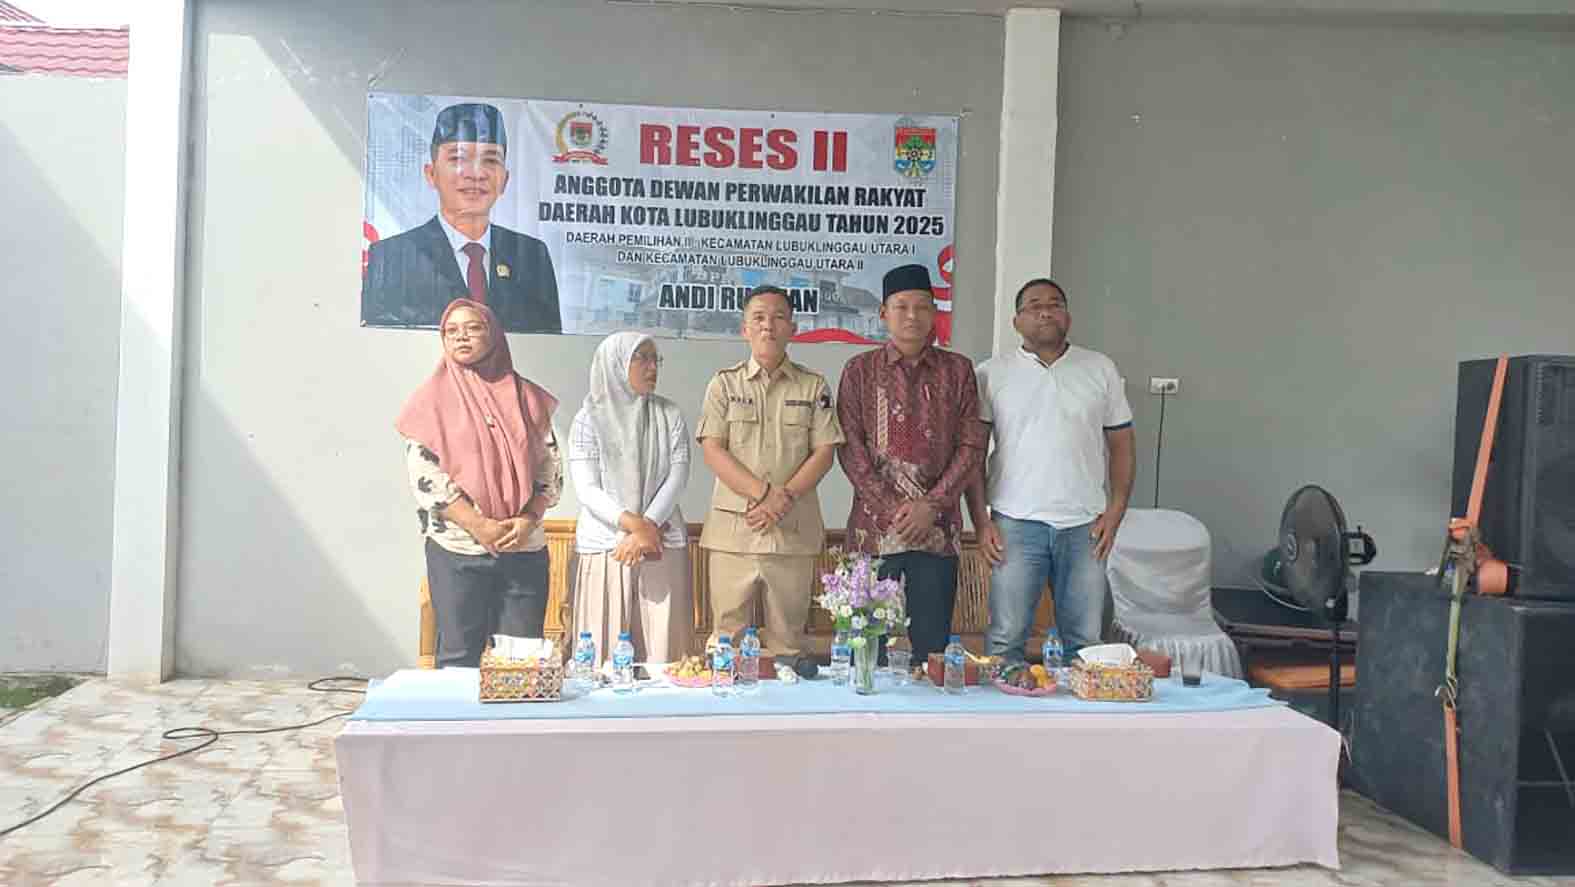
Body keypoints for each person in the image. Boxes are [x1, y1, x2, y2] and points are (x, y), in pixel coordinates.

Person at [965, 278, 1136, 662]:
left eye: (1055, 304)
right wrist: (980, 521)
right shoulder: (990, 374)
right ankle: (1006, 702)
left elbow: (1122, 443)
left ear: (1068, 316)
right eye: (1034, 305)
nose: (1045, 312)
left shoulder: (1100, 368)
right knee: (1006, 637)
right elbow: (972, 454)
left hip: (1086, 527)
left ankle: (1082, 704)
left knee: (1085, 641)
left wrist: (1116, 511)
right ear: (1016, 321)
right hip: (1014, 524)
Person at [398, 298, 563, 668]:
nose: (461, 337)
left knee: (521, 660)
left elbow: (549, 466)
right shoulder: (430, 402)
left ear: (494, 336)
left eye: (473, 328)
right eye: (451, 331)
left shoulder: (526, 398)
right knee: (459, 657)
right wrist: (478, 525)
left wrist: (527, 519)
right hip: (457, 548)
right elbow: (426, 476)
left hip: (522, 546)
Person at [837, 264, 985, 667]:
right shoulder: (859, 370)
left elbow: (971, 445)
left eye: (922, 306)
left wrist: (930, 506)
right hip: (873, 532)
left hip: (937, 532)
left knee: (932, 652)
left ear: (934, 313)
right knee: (866, 654)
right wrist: (894, 510)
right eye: (901, 306)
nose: (912, 315)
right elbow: (850, 449)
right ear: (883, 313)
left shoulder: (958, 371)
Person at [697, 285, 845, 676]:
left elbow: (825, 452)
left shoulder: (813, 386)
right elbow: (713, 449)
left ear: (793, 328)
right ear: (745, 329)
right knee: (726, 641)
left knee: (789, 643)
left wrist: (784, 498)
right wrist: (764, 494)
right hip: (734, 530)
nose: (769, 326)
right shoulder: (724, 384)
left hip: (791, 530)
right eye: (759, 318)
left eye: (779, 317)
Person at [363, 102, 562, 334]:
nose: (476, 174)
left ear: (505, 180)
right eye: (458, 159)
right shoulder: (393, 257)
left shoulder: (531, 257)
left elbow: (548, 338)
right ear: (431, 174)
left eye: (490, 160)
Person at [568, 332, 693, 666]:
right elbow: (587, 488)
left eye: (656, 359)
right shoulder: (588, 418)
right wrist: (636, 527)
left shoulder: (670, 414)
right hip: (607, 544)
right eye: (642, 358)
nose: (652, 367)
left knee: (664, 651)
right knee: (603, 652)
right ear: (615, 364)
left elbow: (678, 476)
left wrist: (648, 526)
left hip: (661, 541)